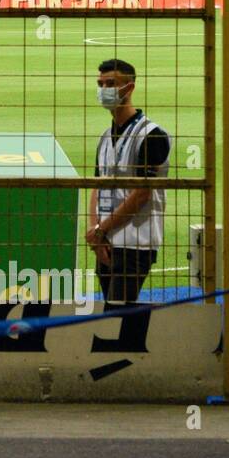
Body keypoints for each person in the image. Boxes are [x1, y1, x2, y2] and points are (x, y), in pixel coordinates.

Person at [86, 58, 170, 306]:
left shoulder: (152, 135)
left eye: (110, 83)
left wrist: (102, 229)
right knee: (111, 315)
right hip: (106, 240)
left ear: (129, 87)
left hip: (135, 243)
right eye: (100, 83)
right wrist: (97, 233)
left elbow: (141, 194)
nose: (103, 90)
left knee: (117, 314)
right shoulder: (104, 136)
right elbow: (96, 185)